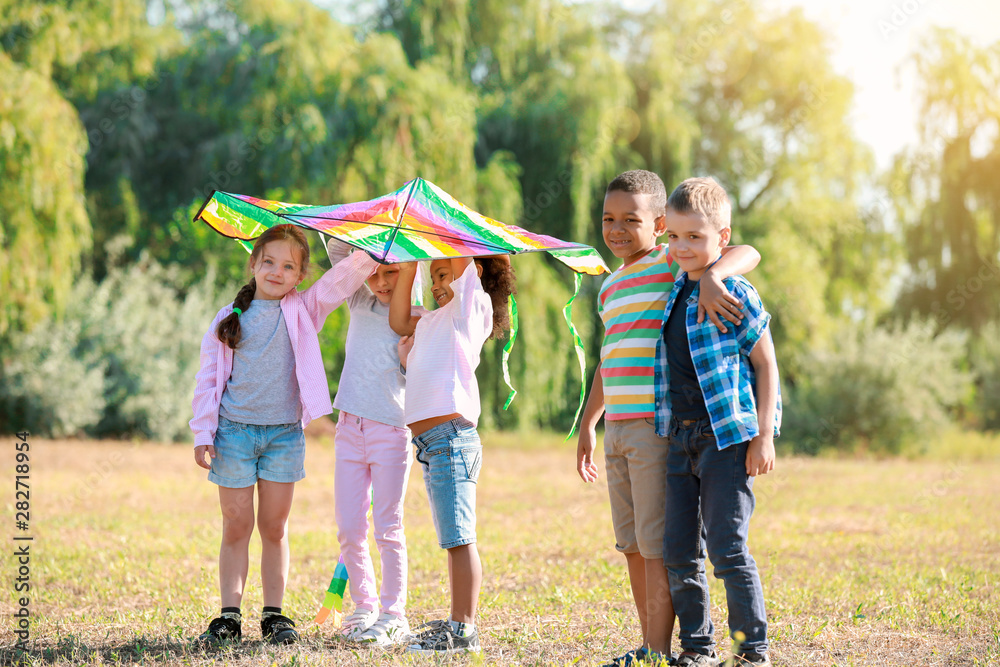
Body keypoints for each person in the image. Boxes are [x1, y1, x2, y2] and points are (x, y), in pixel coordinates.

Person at [576, 170, 761, 667]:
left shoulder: (669, 262)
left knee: (660, 545)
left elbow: (745, 251)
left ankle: (661, 648)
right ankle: (649, 641)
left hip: (657, 427)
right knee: (633, 544)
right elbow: (608, 358)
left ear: (658, 225)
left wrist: (717, 275)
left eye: (629, 220)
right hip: (616, 427)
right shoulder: (609, 286)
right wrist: (589, 423)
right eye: (608, 219)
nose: (616, 229)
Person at [190, 224, 377, 645]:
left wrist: (372, 252)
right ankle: (229, 616)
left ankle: (274, 615)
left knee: (274, 528)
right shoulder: (229, 318)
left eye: (288, 266)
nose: (276, 271)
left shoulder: (304, 310)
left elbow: (339, 280)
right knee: (236, 527)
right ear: (254, 263)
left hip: (283, 437)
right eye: (269, 261)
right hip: (234, 435)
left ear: (299, 276)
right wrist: (204, 432)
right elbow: (207, 380)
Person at [653, 177, 779, 667]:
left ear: (719, 238)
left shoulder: (733, 292)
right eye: (675, 237)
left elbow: (766, 363)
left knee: (727, 546)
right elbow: (654, 243)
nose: (683, 247)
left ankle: (752, 651)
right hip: (679, 438)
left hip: (726, 439)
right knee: (679, 551)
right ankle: (697, 648)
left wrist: (764, 436)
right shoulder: (676, 284)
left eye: (695, 238)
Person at [388, 254, 516, 655]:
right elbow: (397, 322)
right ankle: (458, 622)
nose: (437, 284)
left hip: (451, 439)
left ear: (470, 274)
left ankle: (463, 630)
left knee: (460, 538)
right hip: (431, 445)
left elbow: (461, 259)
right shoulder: (431, 321)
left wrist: (445, 236)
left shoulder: (468, 308)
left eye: (442, 274)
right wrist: (409, 269)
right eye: (432, 278)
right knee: (451, 537)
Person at [325, 239, 428, 645]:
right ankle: (364, 605)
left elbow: (420, 375)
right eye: (375, 272)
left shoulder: (418, 317)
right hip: (349, 428)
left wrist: (411, 259)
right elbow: (336, 250)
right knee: (350, 527)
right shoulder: (359, 301)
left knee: (388, 526)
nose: (381, 282)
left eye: (392, 273)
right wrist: (379, 241)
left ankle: (393, 612)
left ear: (408, 272)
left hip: (391, 430)